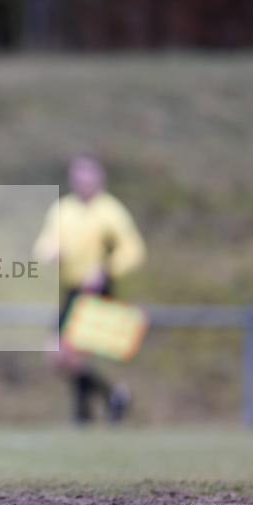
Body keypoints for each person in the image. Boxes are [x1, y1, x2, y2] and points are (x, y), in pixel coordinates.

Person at [33, 155, 146, 424]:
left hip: (98, 291)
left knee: (69, 353)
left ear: (99, 178)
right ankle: (112, 397)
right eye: (78, 175)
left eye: (88, 175)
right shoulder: (64, 209)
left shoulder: (111, 211)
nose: (82, 181)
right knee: (59, 356)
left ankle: (83, 414)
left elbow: (134, 251)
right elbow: (45, 243)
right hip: (72, 290)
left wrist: (106, 269)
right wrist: (51, 253)